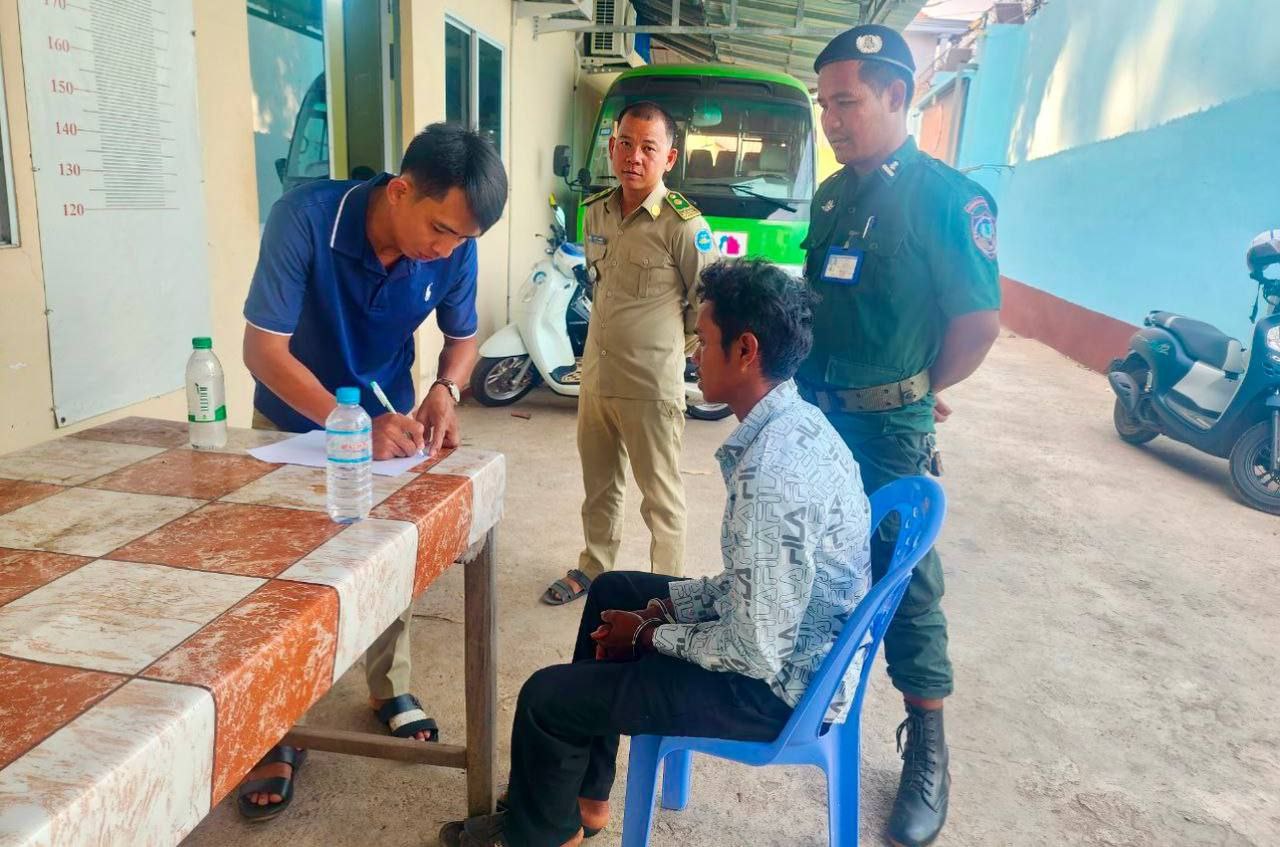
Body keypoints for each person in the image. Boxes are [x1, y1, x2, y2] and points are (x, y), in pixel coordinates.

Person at [442, 259, 872, 847]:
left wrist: (648, 636)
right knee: (613, 590)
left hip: (775, 693)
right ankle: (582, 803)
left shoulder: (772, 476)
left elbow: (752, 650)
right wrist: (659, 611)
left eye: (706, 340)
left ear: (746, 350)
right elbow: (753, 587)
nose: (695, 354)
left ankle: (543, 835)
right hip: (792, 646)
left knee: (545, 699)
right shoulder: (797, 423)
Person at [235, 123, 509, 820]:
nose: (445, 250)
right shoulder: (304, 219)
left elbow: (463, 338)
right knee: (284, 577)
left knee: (387, 553)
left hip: (388, 423)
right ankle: (275, 727)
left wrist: (445, 389)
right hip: (295, 422)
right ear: (400, 191)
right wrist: (344, 421)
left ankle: (389, 685)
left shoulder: (454, 245)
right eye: (440, 230)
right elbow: (263, 350)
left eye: (461, 240)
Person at [799, 24, 1002, 847]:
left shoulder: (948, 199)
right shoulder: (831, 197)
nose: (832, 120)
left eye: (845, 102)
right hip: (816, 420)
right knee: (808, 555)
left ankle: (927, 747)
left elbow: (978, 325)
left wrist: (923, 386)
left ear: (896, 95)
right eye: (824, 105)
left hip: (888, 432)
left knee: (906, 583)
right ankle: (803, 694)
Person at [541, 101, 720, 606]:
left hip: (650, 386)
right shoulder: (596, 210)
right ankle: (593, 568)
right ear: (612, 146)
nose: (633, 157)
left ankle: (666, 595)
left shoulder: (683, 225)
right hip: (597, 378)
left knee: (660, 498)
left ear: (669, 158)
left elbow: (707, 304)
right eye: (624, 143)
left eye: (648, 147)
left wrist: (674, 351)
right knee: (599, 486)